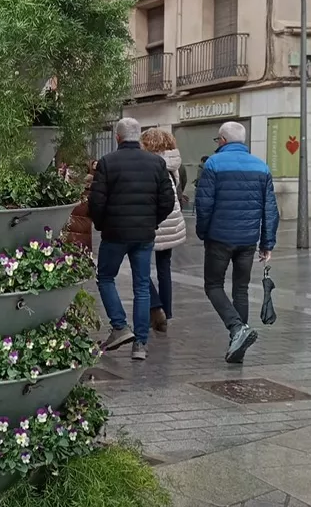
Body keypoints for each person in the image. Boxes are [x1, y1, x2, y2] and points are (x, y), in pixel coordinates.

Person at [88, 117, 176, 361]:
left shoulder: (107, 163)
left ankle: (119, 326)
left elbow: (96, 202)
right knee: (142, 285)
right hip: (144, 234)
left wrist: (102, 224)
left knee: (105, 277)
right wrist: (152, 221)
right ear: (138, 137)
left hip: (115, 234)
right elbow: (168, 200)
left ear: (118, 137)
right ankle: (140, 344)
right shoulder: (157, 163)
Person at [194, 121, 280, 363]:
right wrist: (267, 243)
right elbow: (270, 209)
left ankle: (236, 329)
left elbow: (204, 204)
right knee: (240, 289)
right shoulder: (261, 166)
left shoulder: (213, 164)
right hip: (248, 240)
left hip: (219, 238)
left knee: (213, 286)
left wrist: (203, 232)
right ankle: (238, 345)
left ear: (222, 140)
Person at [141, 128, 187, 332]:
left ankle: (155, 305)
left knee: (139, 265)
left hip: (153, 219)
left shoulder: (148, 163)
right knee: (164, 268)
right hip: (172, 219)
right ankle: (166, 312)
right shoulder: (174, 163)